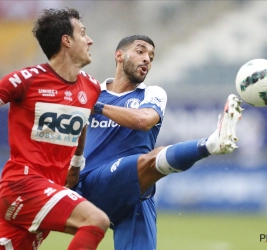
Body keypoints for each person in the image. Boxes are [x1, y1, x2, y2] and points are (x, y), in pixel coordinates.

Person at [69, 35, 243, 250]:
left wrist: (97, 107)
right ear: (119, 55)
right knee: (151, 159)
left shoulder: (152, 93)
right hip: (92, 184)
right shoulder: (91, 92)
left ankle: (212, 144)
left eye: (151, 56)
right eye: (140, 51)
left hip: (135, 193)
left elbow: (143, 120)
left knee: (147, 167)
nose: (147, 59)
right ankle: (211, 144)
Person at [0, 8, 110, 250]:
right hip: (24, 184)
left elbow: (82, 121)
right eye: (83, 33)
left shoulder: (91, 87)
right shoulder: (25, 80)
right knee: (96, 220)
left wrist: (77, 162)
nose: (90, 40)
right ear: (66, 40)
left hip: (52, 187)